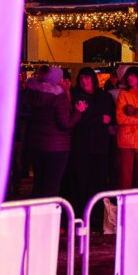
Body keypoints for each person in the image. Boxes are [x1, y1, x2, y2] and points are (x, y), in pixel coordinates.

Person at [63, 67, 115, 228]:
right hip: (82, 147)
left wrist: (96, 118)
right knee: (81, 183)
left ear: (93, 79)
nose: (84, 81)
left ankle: (97, 219)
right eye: (82, 78)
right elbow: (80, 120)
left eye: (87, 78)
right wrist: (99, 118)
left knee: (98, 183)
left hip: (100, 147)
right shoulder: (77, 96)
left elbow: (110, 118)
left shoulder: (104, 96)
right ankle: (80, 218)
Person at [25, 66, 86, 198]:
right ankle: (47, 216)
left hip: (36, 144)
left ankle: (34, 215)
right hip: (56, 147)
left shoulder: (33, 93)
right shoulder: (58, 96)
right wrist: (78, 111)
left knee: (39, 183)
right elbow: (66, 123)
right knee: (51, 186)